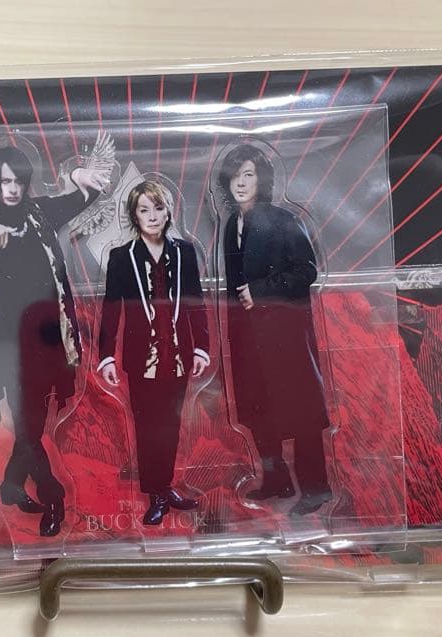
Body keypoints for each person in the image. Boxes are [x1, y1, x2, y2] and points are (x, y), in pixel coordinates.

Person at [0, 143, 110, 537]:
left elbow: (84, 197)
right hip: (4, 345)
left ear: (27, 183)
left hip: (47, 338)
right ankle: (53, 495)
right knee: (28, 423)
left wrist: (78, 177)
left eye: (18, 181)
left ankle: (12, 484)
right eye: (5, 182)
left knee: (32, 422)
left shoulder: (42, 212)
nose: (12, 189)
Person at [217, 144, 333, 515]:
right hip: (247, 338)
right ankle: (276, 479)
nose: (240, 183)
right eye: (234, 176)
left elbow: (307, 271)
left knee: (301, 412)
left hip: (285, 336)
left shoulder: (283, 220)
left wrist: (262, 291)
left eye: (248, 175)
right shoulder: (230, 225)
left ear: (261, 180)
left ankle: (316, 489)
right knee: (257, 410)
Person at [97, 180, 209, 525]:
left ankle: (166, 485)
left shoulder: (184, 252)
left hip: (178, 354)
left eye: (158, 208)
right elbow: (111, 309)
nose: (152, 216)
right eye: (144, 210)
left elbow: (195, 301)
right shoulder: (122, 257)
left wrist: (201, 348)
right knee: (148, 427)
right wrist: (106, 356)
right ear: (134, 215)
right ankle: (156, 495)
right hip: (142, 358)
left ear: (168, 211)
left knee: (171, 424)